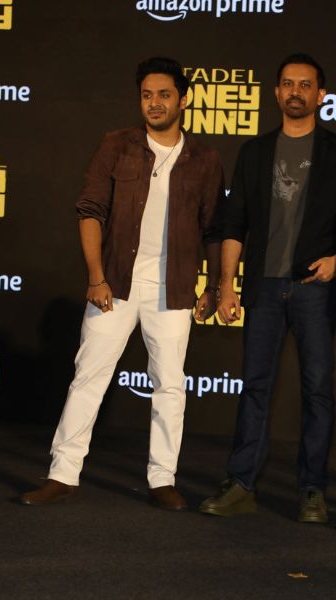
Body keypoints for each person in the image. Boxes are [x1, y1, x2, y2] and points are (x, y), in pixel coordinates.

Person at [20, 57, 225, 511]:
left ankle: (162, 479)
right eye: (147, 95)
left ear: (184, 99)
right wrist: (96, 277)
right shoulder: (117, 145)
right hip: (114, 283)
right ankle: (62, 474)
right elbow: (90, 210)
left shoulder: (205, 159)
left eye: (164, 94)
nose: (154, 103)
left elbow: (213, 228)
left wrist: (214, 287)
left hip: (173, 288)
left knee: (170, 385)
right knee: (88, 377)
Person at [199, 53, 336, 523]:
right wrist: (226, 286)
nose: (296, 92)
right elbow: (234, 223)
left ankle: (312, 490)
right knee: (255, 386)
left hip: (315, 288)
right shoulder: (254, 152)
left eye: (305, 85)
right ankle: (242, 483)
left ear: (321, 95)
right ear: (276, 92)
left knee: (318, 391)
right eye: (288, 84)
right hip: (264, 288)